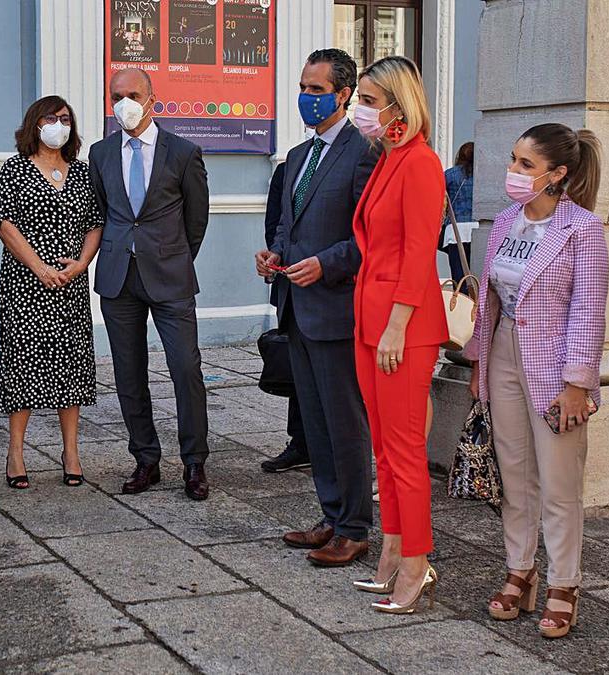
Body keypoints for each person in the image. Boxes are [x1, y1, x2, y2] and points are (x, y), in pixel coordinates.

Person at [463, 124, 607, 639]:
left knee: (559, 481)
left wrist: (577, 383)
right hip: (503, 355)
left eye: (527, 165)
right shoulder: (504, 222)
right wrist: (479, 362)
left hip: (555, 368)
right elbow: (491, 300)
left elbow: (588, 313)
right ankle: (520, 571)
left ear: (557, 174)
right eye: (514, 160)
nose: (515, 172)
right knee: (514, 473)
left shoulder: (582, 229)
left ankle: (564, 584)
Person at [255, 48, 378, 567]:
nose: (306, 97)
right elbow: (288, 223)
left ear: (343, 94)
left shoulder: (364, 152)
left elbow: (368, 235)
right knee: (316, 422)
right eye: (303, 88)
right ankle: (331, 516)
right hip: (296, 306)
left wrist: (326, 265)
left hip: (336, 307)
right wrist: (275, 254)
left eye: (316, 89)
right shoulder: (300, 158)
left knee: (344, 422)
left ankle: (355, 527)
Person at [348, 55, 447, 614]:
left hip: (401, 327)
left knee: (405, 451)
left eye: (367, 100)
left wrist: (396, 326)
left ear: (396, 105)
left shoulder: (421, 163)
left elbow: (417, 253)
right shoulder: (389, 158)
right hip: (373, 320)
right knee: (384, 448)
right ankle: (392, 551)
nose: (359, 110)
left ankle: (416, 564)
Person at [88, 67, 212, 501]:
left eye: (134, 94)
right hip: (118, 278)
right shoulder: (100, 154)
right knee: (128, 373)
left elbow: (196, 220)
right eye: (117, 95)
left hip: (170, 278)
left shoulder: (182, 151)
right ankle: (145, 459)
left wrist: (173, 258)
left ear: (152, 99)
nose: (126, 103)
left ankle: (194, 463)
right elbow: (103, 214)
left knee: (185, 368)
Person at [0, 95, 103, 489]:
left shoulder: (83, 172)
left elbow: (95, 223)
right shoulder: (16, 169)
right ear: (35, 123)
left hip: (70, 284)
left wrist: (81, 263)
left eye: (66, 118)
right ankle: (16, 452)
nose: (59, 124)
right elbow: (4, 224)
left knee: (69, 366)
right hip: (25, 283)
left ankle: (70, 451)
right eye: (51, 117)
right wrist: (39, 267)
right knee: (23, 364)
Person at [257, 159, 311, 475]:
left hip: (337, 288)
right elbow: (276, 225)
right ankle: (301, 443)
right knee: (298, 371)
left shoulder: (359, 156)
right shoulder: (293, 163)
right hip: (292, 285)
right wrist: (274, 257)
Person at [441, 141, 474, 285]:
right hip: (477, 227)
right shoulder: (483, 175)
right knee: (476, 273)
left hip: (455, 230)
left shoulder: (450, 174)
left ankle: (461, 303)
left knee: (458, 274)